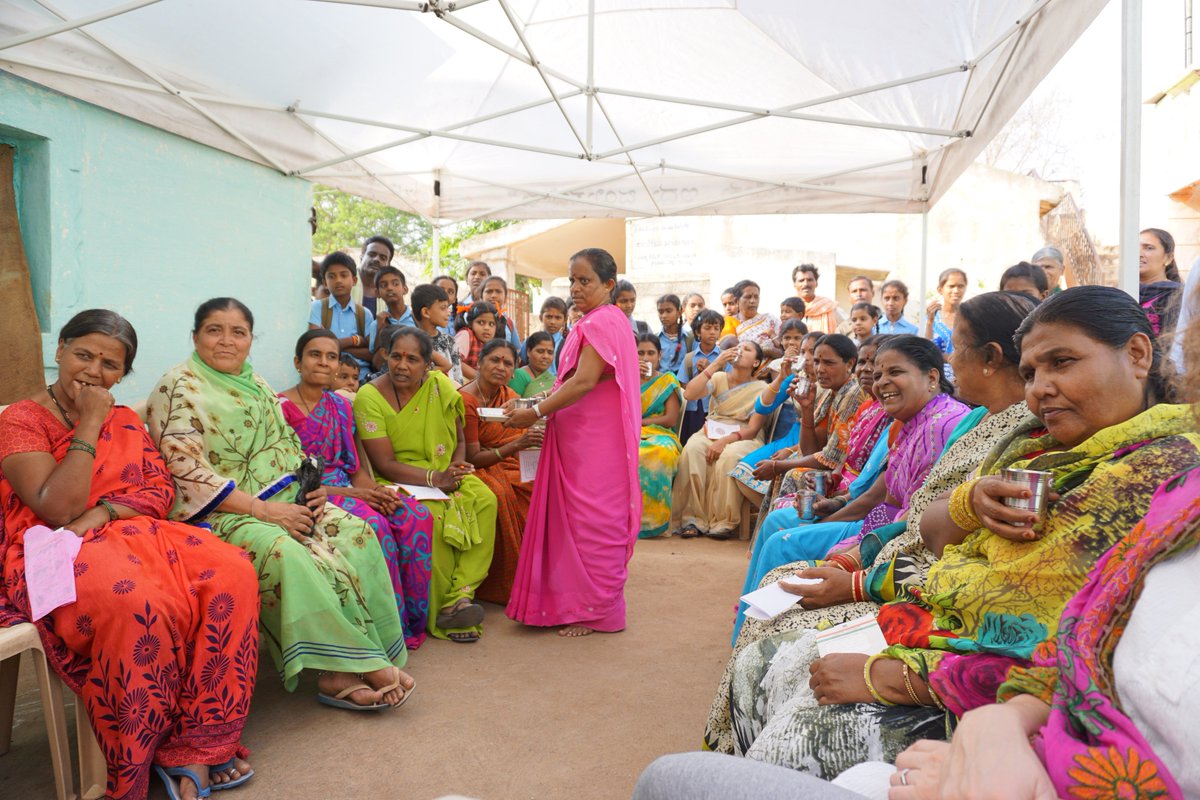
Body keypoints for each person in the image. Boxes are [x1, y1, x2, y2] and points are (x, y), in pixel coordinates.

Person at [740, 287, 1200, 777]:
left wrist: (895, 673)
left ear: (1137, 354)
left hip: (1001, 686)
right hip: (934, 615)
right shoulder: (1034, 445)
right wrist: (970, 500)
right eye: (1031, 373)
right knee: (762, 665)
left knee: (795, 733)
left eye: (1061, 362)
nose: (1040, 388)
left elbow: (1052, 628)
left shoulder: (1161, 472)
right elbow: (932, 528)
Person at [704, 293, 1038, 756]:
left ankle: (748, 756)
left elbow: (940, 539)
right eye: (873, 370)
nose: (876, 380)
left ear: (990, 358)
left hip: (927, 595)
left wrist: (859, 580)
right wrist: (855, 553)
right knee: (782, 581)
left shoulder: (979, 427)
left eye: (955, 347)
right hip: (895, 557)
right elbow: (904, 502)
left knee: (782, 624)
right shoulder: (979, 421)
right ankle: (736, 753)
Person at [0, 310, 260, 800]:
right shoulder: (22, 419)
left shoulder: (123, 419)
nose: (94, 371)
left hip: (126, 529)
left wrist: (103, 514)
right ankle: (147, 748)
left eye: (110, 364)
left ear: (122, 374)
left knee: (233, 573)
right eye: (84, 355)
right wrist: (90, 421)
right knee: (140, 603)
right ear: (59, 352)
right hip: (50, 546)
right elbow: (57, 508)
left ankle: (200, 740)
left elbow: (158, 487)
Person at [148, 298, 413, 711]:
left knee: (357, 532)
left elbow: (290, 447)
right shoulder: (179, 386)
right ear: (196, 335)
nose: (227, 341)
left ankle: (343, 669)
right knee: (284, 552)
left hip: (286, 498)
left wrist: (315, 490)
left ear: (251, 340)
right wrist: (265, 511)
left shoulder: (256, 384)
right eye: (215, 330)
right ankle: (357, 664)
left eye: (238, 332)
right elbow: (186, 472)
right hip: (222, 513)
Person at [734, 336, 970, 642]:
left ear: (933, 377)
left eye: (894, 372)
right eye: (875, 370)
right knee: (781, 529)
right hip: (875, 522)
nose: (878, 380)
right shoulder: (906, 421)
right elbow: (886, 493)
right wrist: (838, 503)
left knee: (783, 541)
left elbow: (905, 515)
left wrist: (852, 555)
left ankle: (751, 630)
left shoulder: (943, 424)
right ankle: (748, 624)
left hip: (894, 542)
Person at [504, 247, 642, 637]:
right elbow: (574, 383)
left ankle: (600, 610)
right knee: (580, 520)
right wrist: (535, 404)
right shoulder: (602, 321)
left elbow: (583, 381)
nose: (576, 289)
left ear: (609, 285)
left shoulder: (601, 322)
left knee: (596, 519)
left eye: (586, 281)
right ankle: (575, 602)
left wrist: (534, 413)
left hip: (596, 442)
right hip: (581, 437)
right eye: (573, 281)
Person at [278, 329, 434, 649]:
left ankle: (411, 623)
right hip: (311, 493)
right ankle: (381, 631)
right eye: (314, 354)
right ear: (298, 361)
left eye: (331, 356)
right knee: (374, 525)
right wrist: (358, 496)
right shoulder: (279, 409)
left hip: (349, 488)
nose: (323, 362)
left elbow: (358, 466)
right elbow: (290, 476)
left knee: (414, 515)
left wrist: (375, 492)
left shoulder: (342, 406)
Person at [354, 326, 497, 643]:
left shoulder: (438, 386)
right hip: (400, 479)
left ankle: (460, 595)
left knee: (486, 499)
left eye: (412, 359)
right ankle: (443, 612)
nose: (402, 365)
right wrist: (436, 480)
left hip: (443, 470)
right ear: (385, 357)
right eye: (396, 356)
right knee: (434, 515)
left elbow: (459, 437)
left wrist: (456, 469)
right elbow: (384, 463)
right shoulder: (369, 397)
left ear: (427, 365)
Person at [731, 334, 864, 506]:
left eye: (828, 363)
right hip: (798, 441)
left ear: (850, 363)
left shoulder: (852, 394)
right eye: (817, 361)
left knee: (791, 473)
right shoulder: (827, 389)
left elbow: (830, 459)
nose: (820, 369)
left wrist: (778, 466)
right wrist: (807, 409)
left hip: (847, 473)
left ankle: (785, 528)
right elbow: (763, 408)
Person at [459, 339, 541, 605]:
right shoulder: (466, 400)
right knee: (499, 493)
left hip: (508, 460)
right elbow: (472, 456)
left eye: (508, 363)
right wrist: (516, 444)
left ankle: (538, 576)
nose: (501, 367)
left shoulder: (511, 399)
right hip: (477, 466)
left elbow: (523, 436)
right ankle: (504, 582)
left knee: (539, 486)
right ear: (479, 363)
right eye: (494, 360)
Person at [669, 340, 767, 540]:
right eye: (738, 346)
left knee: (729, 456)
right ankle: (692, 519)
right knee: (693, 448)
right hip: (713, 429)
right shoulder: (720, 377)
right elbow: (689, 393)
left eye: (747, 349)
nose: (740, 350)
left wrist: (725, 441)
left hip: (744, 436)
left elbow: (753, 428)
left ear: (756, 362)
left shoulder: (762, 388)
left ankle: (724, 521)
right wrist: (715, 364)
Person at [634, 333, 684, 539]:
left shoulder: (667, 380)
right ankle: (625, 520)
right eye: (640, 353)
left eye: (651, 353)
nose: (646, 358)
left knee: (659, 452)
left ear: (659, 355)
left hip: (661, 434)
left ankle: (652, 521)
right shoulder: (624, 379)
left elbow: (670, 419)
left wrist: (640, 423)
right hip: (629, 431)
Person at [309, 252, 375, 378]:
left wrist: (337, 344)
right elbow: (317, 344)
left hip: (360, 378)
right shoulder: (317, 308)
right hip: (328, 378)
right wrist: (356, 340)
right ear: (324, 282)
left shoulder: (364, 314)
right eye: (332, 276)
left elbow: (370, 354)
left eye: (344, 275)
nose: (338, 280)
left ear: (354, 280)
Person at [678, 308, 725, 443]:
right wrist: (700, 377)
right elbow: (683, 386)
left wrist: (711, 373)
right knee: (691, 441)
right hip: (693, 410)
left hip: (716, 410)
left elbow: (729, 382)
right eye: (707, 328)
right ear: (698, 332)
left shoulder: (723, 357)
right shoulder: (689, 358)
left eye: (716, 328)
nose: (712, 332)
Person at [411, 282, 462, 384]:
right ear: (426, 312)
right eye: (443, 308)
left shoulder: (449, 341)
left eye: (448, 308)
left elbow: (457, 376)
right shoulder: (411, 342)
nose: (448, 312)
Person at [1139, 227, 1184, 338]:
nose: (1139, 254)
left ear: (1168, 258)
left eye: (1148, 248)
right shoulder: (1122, 293)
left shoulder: (1177, 295)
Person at [924, 267, 966, 382]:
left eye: (960, 286)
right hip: (935, 379)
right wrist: (930, 322)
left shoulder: (969, 318)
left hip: (962, 379)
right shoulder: (932, 317)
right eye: (951, 286)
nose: (956, 290)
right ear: (940, 289)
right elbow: (925, 349)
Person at [729, 280, 782, 359]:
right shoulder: (729, 323)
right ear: (736, 301)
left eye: (756, 297)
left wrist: (770, 351)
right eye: (748, 297)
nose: (753, 301)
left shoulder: (770, 319)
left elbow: (783, 350)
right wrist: (760, 351)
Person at [521, 296, 567, 375]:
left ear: (564, 320)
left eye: (558, 318)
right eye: (549, 317)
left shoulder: (566, 345)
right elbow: (522, 364)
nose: (552, 322)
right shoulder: (529, 341)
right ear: (541, 317)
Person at [455, 300, 498, 381]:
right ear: (471, 323)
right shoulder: (466, 335)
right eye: (481, 322)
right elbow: (455, 362)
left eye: (491, 324)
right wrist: (481, 379)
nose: (487, 328)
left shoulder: (492, 345)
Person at [794, 264, 842, 334]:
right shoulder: (789, 309)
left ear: (816, 283)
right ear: (795, 284)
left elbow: (849, 330)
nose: (805, 284)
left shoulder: (830, 308)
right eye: (801, 280)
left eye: (810, 280)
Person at [479, 275, 523, 347]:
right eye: (489, 291)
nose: (493, 295)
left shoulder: (509, 323)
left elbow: (517, 350)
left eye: (498, 291)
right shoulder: (472, 320)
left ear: (505, 298)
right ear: (481, 297)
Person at [510, 331, 556, 397]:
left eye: (550, 352)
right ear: (528, 352)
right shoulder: (519, 375)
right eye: (540, 351)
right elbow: (513, 404)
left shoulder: (553, 379)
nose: (546, 356)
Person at [359, 235, 394, 316]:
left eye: (383, 258)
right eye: (371, 254)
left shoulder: (390, 293)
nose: (376, 259)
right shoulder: (344, 283)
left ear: (388, 265)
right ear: (361, 258)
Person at [656, 293, 688, 375]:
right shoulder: (655, 339)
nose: (664, 316)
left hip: (683, 385)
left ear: (679, 312)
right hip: (660, 384)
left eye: (668, 311)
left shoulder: (689, 339)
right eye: (661, 312)